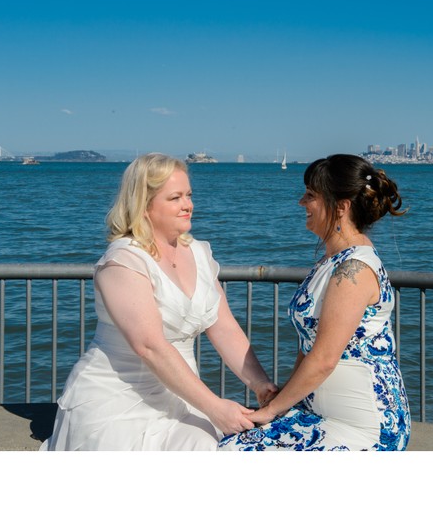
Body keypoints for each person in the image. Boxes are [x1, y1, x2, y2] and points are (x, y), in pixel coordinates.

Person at [42, 153, 278, 450]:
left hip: (182, 395)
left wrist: (261, 385)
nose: (188, 205)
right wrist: (215, 408)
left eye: (189, 195)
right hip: (119, 400)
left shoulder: (200, 253)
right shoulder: (124, 260)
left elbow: (225, 327)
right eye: (175, 198)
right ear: (144, 205)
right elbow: (150, 346)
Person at [218, 154, 411, 451]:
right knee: (225, 439)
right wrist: (283, 398)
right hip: (321, 413)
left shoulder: (354, 271)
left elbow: (323, 359)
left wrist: (271, 411)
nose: (301, 202)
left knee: (234, 450)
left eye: (310, 195)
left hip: (364, 425)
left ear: (341, 207)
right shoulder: (330, 262)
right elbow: (308, 348)